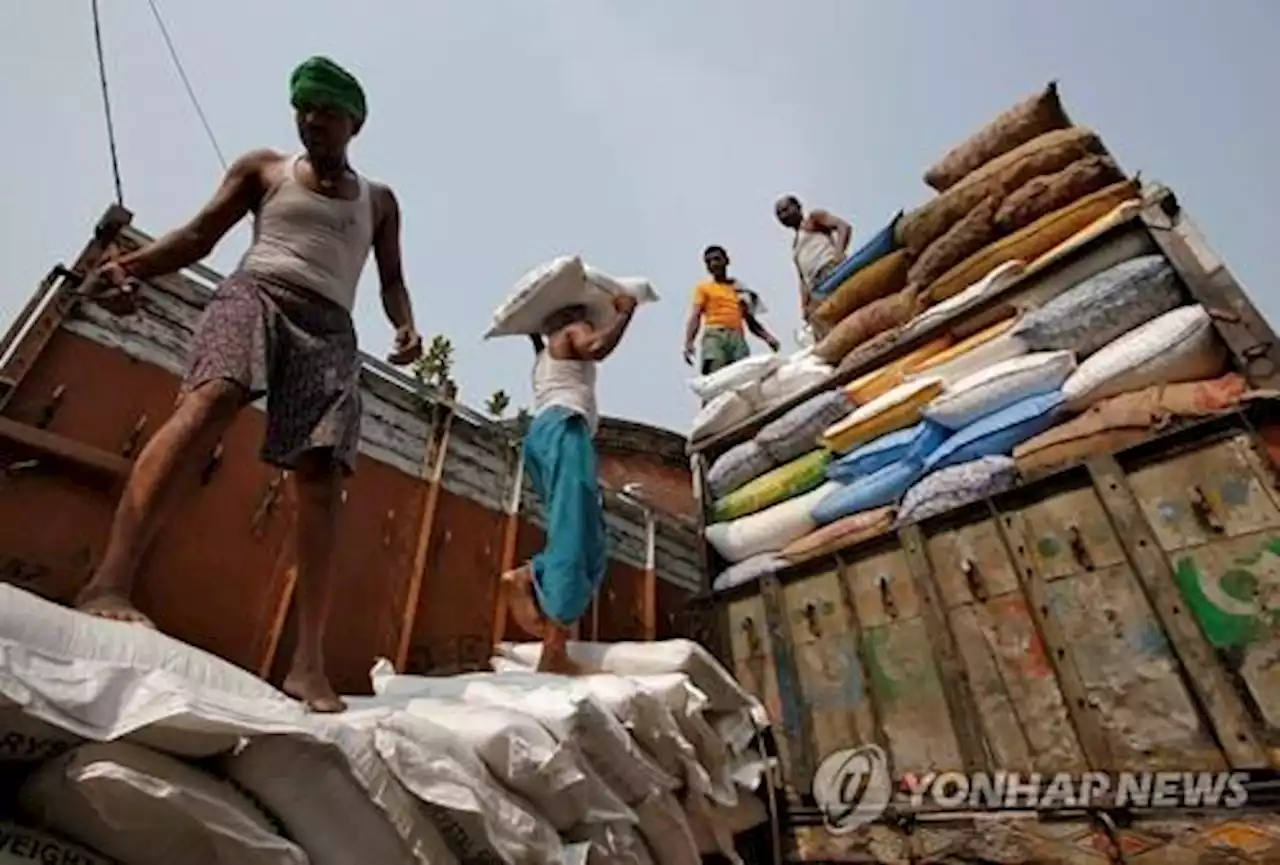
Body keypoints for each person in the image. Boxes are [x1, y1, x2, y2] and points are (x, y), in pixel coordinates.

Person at [74, 56, 422, 713]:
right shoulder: (262, 170)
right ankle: (108, 582)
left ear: (356, 122)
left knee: (321, 479)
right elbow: (199, 236)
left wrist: (406, 324)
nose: (312, 119)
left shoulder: (379, 202)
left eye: (326, 109)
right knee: (210, 400)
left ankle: (307, 664)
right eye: (304, 108)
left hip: (330, 329)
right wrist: (129, 268)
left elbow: (392, 278)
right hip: (255, 294)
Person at [499, 294, 638, 673]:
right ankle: (554, 648)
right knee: (575, 532)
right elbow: (597, 348)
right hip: (564, 430)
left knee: (587, 536)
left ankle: (532, 580)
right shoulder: (573, 331)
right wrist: (626, 314)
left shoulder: (544, 353)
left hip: (546, 435)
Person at [682, 245, 780, 375]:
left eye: (716, 259)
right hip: (715, 334)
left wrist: (768, 338)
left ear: (726, 261)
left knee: (743, 374)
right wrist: (689, 342)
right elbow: (696, 315)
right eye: (708, 262)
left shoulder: (739, 290)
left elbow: (750, 321)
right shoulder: (704, 288)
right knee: (716, 370)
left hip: (737, 337)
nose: (713, 264)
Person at [774, 195, 853, 335]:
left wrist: (839, 253)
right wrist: (804, 305)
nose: (783, 215)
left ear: (798, 207)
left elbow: (843, 227)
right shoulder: (795, 246)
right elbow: (802, 279)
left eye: (786, 209)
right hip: (814, 287)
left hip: (829, 270)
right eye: (779, 214)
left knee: (845, 310)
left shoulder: (813, 219)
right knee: (824, 327)